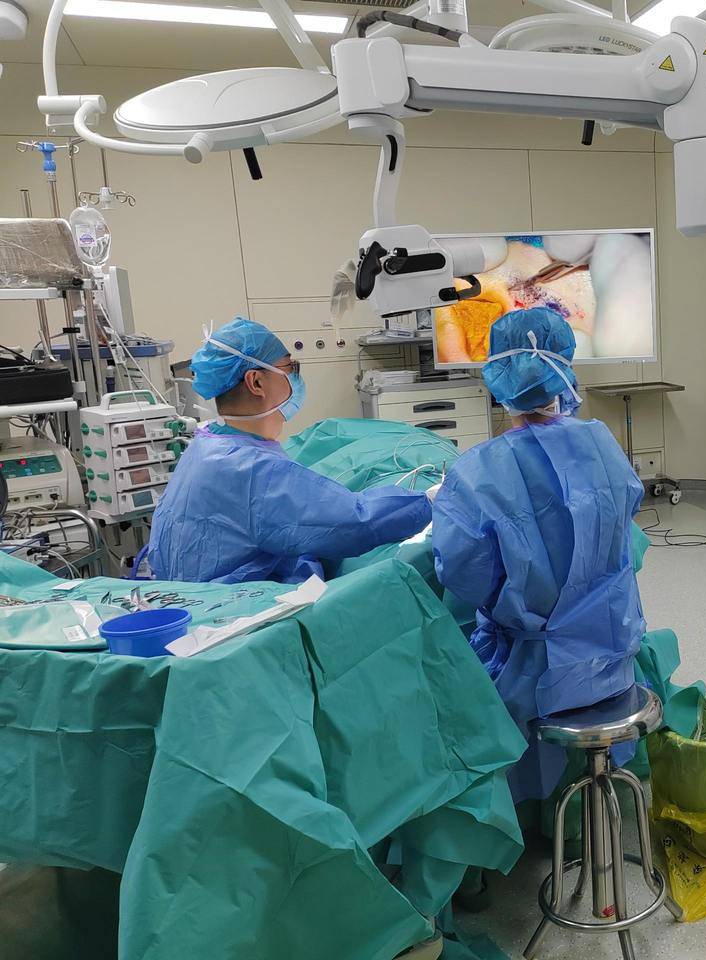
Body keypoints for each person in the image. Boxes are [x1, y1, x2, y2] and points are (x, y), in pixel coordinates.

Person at [430, 307, 646, 804]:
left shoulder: (478, 471)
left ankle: (527, 812)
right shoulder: (602, 443)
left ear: (497, 380)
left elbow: (462, 573)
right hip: (613, 658)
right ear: (563, 371)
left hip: (533, 674)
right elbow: (624, 528)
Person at [147, 317, 432, 584]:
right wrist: (429, 501)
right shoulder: (252, 469)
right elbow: (356, 522)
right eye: (290, 368)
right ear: (256, 382)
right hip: (238, 609)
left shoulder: (205, 445)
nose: (296, 377)